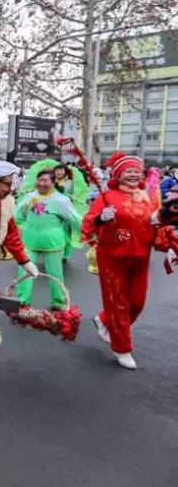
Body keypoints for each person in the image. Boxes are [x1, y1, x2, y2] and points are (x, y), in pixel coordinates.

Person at [82, 153, 161, 370]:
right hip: (113, 257)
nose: (134, 174)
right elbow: (88, 221)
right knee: (118, 304)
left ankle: (103, 320)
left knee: (137, 303)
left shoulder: (147, 197)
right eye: (129, 171)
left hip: (141, 256)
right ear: (118, 175)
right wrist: (101, 218)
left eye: (137, 171)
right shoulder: (107, 197)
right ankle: (121, 347)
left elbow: (158, 223)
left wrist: (169, 246)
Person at [14, 168, 82, 309]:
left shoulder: (61, 200)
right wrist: (29, 227)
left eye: (45, 181)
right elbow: (18, 216)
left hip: (53, 243)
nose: (41, 183)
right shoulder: (29, 197)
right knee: (25, 272)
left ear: (53, 182)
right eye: (39, 180)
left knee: (55, 274)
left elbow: (75, 220)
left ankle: (58, 302)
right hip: (30, 241)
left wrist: (91, 232)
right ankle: (22, 302)